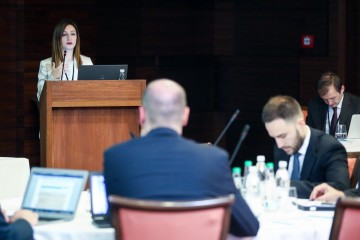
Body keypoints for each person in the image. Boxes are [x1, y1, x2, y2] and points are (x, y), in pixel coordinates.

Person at [103, 79, 259, 237]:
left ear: (142, 114)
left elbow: (112, 220)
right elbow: (249, 226)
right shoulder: (213, 159)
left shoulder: (116, 157)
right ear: (186, 115)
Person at [262, 95, 350, 199]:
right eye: (274, 138)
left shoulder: (330, 147)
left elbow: (340, 189)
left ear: (300, 123)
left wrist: (284, 185)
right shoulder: (281, 146)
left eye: (283, 136)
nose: (279, 144)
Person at [37, 19, 93, 101]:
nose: (69, 38)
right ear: (58, 39)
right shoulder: (45, 64)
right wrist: (52, 78)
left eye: (73, 34)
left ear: (77, 38)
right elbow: (40, 98)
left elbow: (93, 91)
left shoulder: (87, 61)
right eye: (64, 34)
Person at [306, 71, 360, 136]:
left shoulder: (357, 104)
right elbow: (308, 133)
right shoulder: (314, 105)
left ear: (342, 89)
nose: (329, 103)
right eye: (325, 99)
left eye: (333, 98)